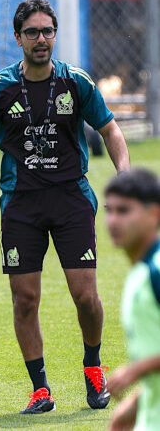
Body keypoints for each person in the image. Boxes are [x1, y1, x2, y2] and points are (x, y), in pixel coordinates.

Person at [0, 0, 130, 414]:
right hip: (22, 204)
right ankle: (40, 389)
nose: (41, 39)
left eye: (47, 31)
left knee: (85, 296)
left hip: (71, 199)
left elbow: (110, 129)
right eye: (32, 32)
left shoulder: (76, 82)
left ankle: (92, 367)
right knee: (25, 299)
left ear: (55, 35)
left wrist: (125, 179)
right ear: (18, 38)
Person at [103, 169, 160, 431]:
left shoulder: (156, 270)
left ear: (154, 214)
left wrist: (135, 370)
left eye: (124, 211)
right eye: (109, 210)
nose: (113, 221)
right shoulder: (139, 273)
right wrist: (137, 403)